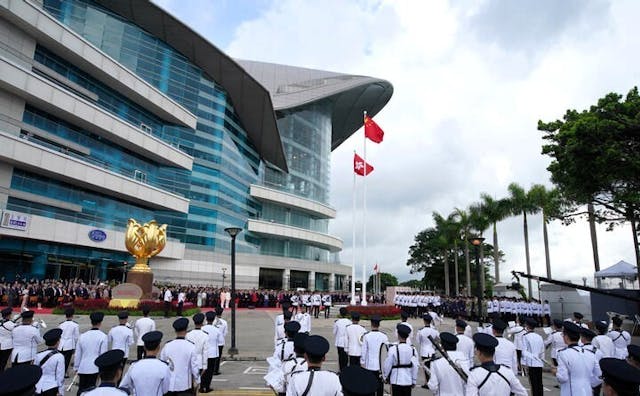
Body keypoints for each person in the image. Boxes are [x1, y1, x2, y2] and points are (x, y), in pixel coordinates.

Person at [552, 321, 599, 396]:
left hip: (571, 392)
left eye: (563, 335)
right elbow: (599, 376)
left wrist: (555, 372)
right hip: (587, 391)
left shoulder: (563, 354)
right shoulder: (590, 353)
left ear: (566, 337)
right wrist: (587, 383)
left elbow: (563, 378)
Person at [120, 331, 171, 396]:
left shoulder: (134, 366)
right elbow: (166, 389)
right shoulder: (164, 367)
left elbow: (124, 387)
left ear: (144, 347)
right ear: (158, 347)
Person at [160, 317, 200, 395]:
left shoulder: (167, 346)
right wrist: (197, 381)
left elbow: (162, 365)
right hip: (184, 385)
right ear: (186, 330)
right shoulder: (191, 346)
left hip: (169, 386)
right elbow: (194, 367)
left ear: (175, 330)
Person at [74, 312, 108, 395]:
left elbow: (78, 353)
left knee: (81, 389)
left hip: (83, 367)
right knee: (92, 391)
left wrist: (76, 367)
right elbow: (102, 355)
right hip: (95, 368)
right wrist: (102, 370)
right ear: (100, 322)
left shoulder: (83, 336)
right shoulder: (103, 336)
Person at [382, 324, 419, 396]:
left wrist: (385, 376)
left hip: (396, 380)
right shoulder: (413, 349)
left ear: (398, 335)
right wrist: (414, 380)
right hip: (408, 381)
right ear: (408, 336)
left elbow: (388, 364)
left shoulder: (393, 349)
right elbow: (415, 366)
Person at [360, 315, 389, 396]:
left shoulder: (367, 336)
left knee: (370, 387)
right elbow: (386, 353)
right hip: (380, 366)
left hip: (369, 366)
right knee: (380, 387)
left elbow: (363, 352)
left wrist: (362, 364)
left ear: (371, 324)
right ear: (379, 325)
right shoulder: (384, 336)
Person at [34, 328, 65, 396]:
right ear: (58, 342)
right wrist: (61, 391)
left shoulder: (38, 355)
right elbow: (60, 376)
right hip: (51, 387)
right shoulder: (59, 356)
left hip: (39, 387)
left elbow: (35, 372)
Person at [200, 311, 224, 393]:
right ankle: (207, 386)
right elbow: (220, 341)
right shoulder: (216, 330)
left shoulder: (202, 329)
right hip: (213, 352)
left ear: (206, 319)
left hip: (203, 352)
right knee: (210, 371)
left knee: (203, 369)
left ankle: (201, 386)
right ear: (214, 319)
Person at [521, 318, 544, 396]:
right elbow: (542, 351)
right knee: (539, 383)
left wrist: (523, 363)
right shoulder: (539, 336)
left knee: (533, 384)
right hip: (539, 362)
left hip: (531, 363)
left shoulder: (525, 336)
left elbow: (524, 351)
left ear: (527, 326)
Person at [185, 313, 209, 385]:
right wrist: (205, 365)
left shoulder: (188, 334)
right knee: (197, 384)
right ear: (202, 322)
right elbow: (205, 352)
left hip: (189, 362)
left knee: (189, 383)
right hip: (199, 361)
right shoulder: (205, 335)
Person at [416, 314, 439, 387]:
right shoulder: (434, 330)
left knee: (425, 368)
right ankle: (431, 382)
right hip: (431, 350)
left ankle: (427, 383)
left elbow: (418, 341)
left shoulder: (421, 331)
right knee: (431, 367)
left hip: (424, 350)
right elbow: (437, 340)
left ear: (424, 321)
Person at [581, 327, 604, 395]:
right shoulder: (599, 352)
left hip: (583, 381)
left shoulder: (579, 350)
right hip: (596, 382)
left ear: (583, 338)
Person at [58, 308, 79, 377]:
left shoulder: (61, 324)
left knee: (61, 360)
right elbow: (76, 337)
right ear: (72, 315)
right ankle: (63, 373)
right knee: (67, 361)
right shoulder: (75, 325)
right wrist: (76, 346)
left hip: (61, 345)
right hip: (69, 345)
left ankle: (62, 372)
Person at [333, 307, 350, 372]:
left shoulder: (337, 322)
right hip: (346, 342)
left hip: (339, 342)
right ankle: (345, 370)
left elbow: (334, 332)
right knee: (346, 357)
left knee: (340, 357)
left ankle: (341, 370)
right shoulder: (349, 322)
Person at [212, 307, 227, 375]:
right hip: (220, 341)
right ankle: (216, 370)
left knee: (211, 355)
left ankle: (211, 369)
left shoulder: (212, 321)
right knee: (218, 356)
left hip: (212, 341)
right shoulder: (224, 322)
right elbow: (225, 333)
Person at [0, 307, 15, 372]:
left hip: (1, 343)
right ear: (9, 315)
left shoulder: (0, 321)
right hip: (7, 345)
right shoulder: (11, 324)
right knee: (4, 361)